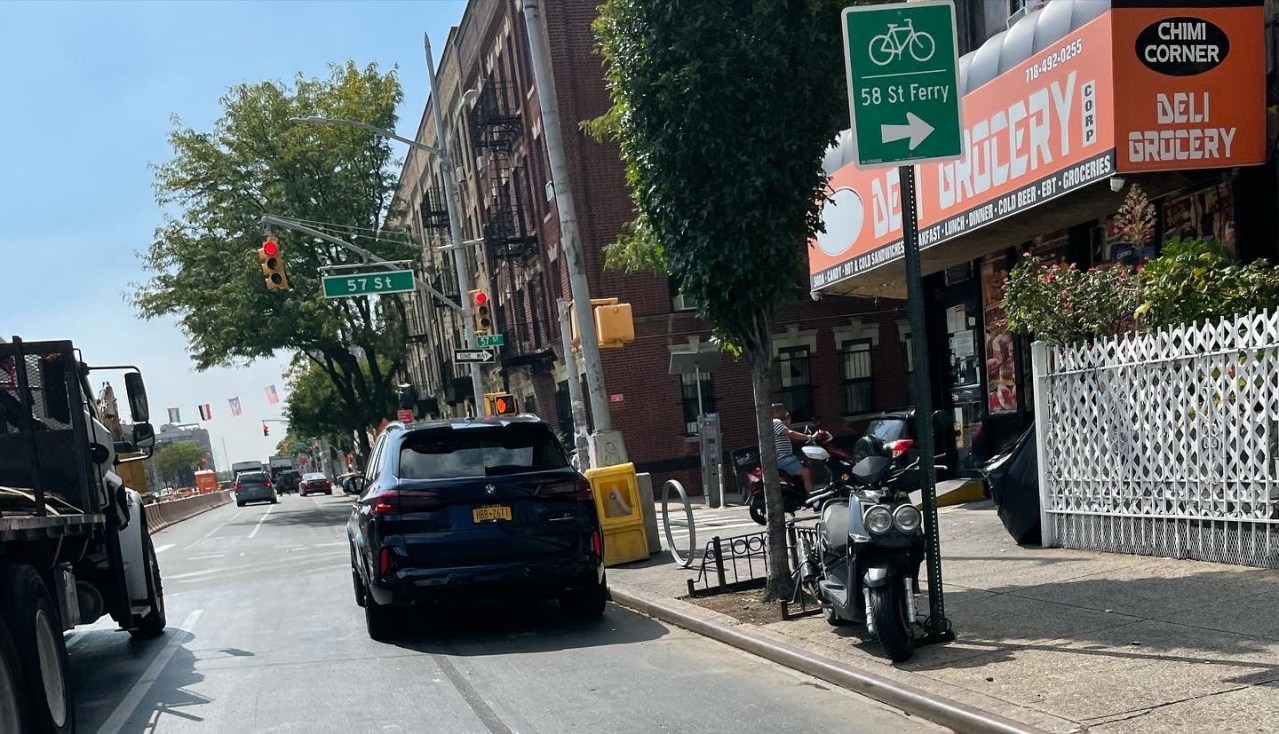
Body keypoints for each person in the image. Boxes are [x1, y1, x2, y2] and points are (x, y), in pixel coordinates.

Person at [771, 403, 812, 494]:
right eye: (784, 410)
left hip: (786, 457)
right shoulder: (776, 422)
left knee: (803, 463)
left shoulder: (778, 423)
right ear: (778, 411)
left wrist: (788, 423)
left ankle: (800, 493)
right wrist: (809, 437)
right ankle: (812, 499)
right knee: (805, 472)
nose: (786, 412)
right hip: (783, 457)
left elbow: (789, 433)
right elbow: (791, 433)